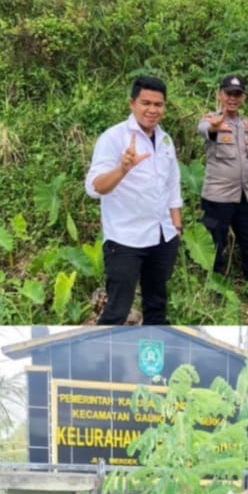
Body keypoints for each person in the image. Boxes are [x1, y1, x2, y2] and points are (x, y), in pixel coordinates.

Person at [84, 75, 182, 325]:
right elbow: (94, 188)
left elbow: (172, 185)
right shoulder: (114, 138)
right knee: (117, 310)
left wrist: (176, 227)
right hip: (125, 238)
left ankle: (153, 362)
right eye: (145, 103)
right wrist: (122, 169)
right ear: (132, 103)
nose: (152, 110)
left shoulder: (165, 139)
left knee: (157, 307)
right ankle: (105, 362)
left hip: (162, 236)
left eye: (158, 104)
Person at [197, 75, 248, 283]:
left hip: (242, 195)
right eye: (228, 93)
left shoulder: (244, 124)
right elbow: (205, 130)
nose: (232, 98)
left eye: (237, 94)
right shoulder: (210, 119)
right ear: (220, 95)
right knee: (216, 244)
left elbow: (247, 158)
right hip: (218, 197)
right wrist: (215, 127)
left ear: (242, 97)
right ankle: (214, 289)